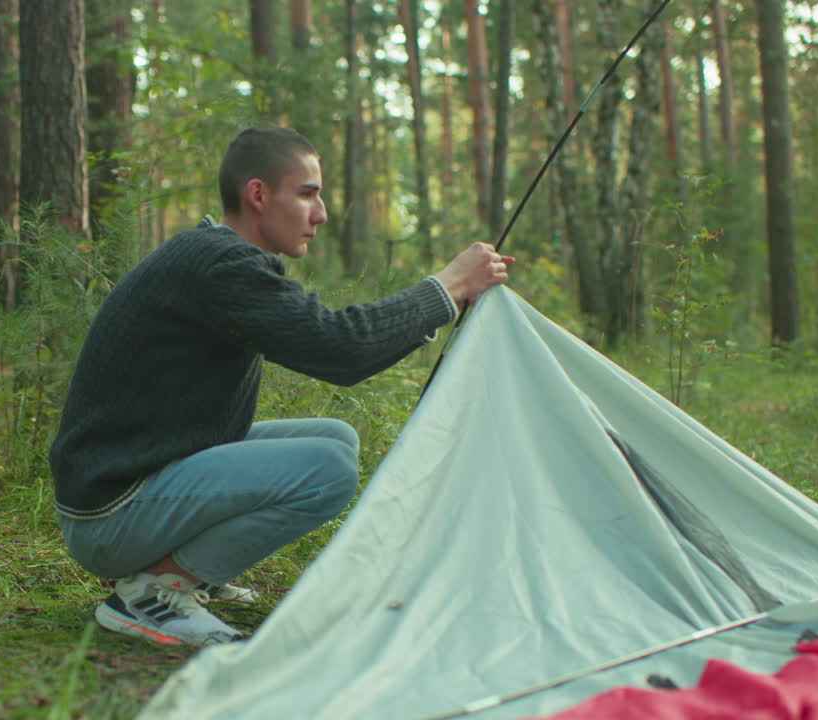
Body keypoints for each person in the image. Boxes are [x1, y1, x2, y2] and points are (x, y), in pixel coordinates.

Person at [49, 126, 515, 647]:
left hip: (129, 485)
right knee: (328, 469)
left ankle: (189, 568)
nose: (321, 214)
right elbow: (342, 347)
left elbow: (335, 341)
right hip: (112, 513)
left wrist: (444, 300)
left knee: (337, 438)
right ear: (258, 194)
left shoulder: (214, 258)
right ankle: (154, 592)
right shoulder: (220, 267)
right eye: (308, 194)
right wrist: (449, 285)